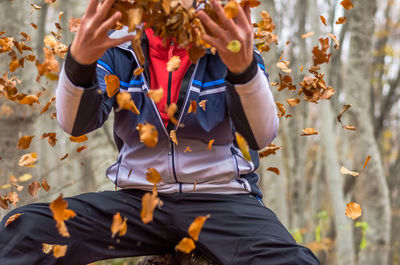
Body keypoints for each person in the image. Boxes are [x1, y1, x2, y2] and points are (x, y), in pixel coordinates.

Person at [0, 0, 320, 264]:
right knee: (23, 230)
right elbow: (75, 124)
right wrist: (79, 62)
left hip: (224, 201)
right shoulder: (118, 48)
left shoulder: (228, 45)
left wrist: (243, 68)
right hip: (139, 204)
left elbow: (261, 135)